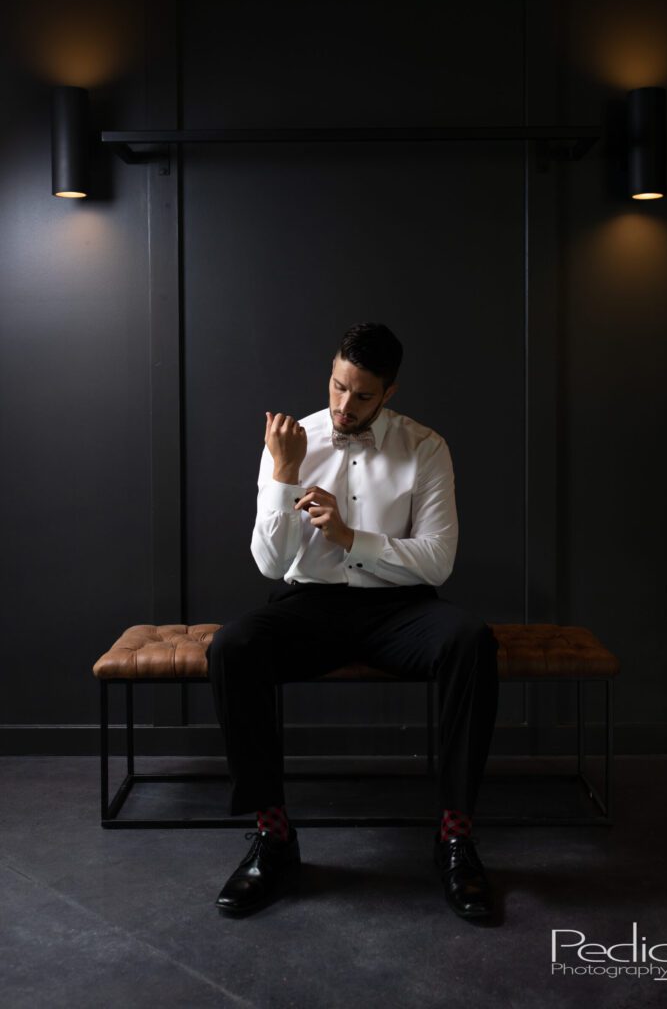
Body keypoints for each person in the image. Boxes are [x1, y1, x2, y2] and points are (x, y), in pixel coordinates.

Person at [207, 322, 499, 921]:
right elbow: (269, 563)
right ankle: (274, 837)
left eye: (362, 395)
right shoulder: (294, 440)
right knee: (234, 647)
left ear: (389, 393)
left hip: (401, 608)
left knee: (471, 640)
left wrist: (350, 537)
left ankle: (455, 836)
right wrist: (284, 475)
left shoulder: (425, 447)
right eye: (338, 387)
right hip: (309, 604)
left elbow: (437, 559)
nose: (344, 405)